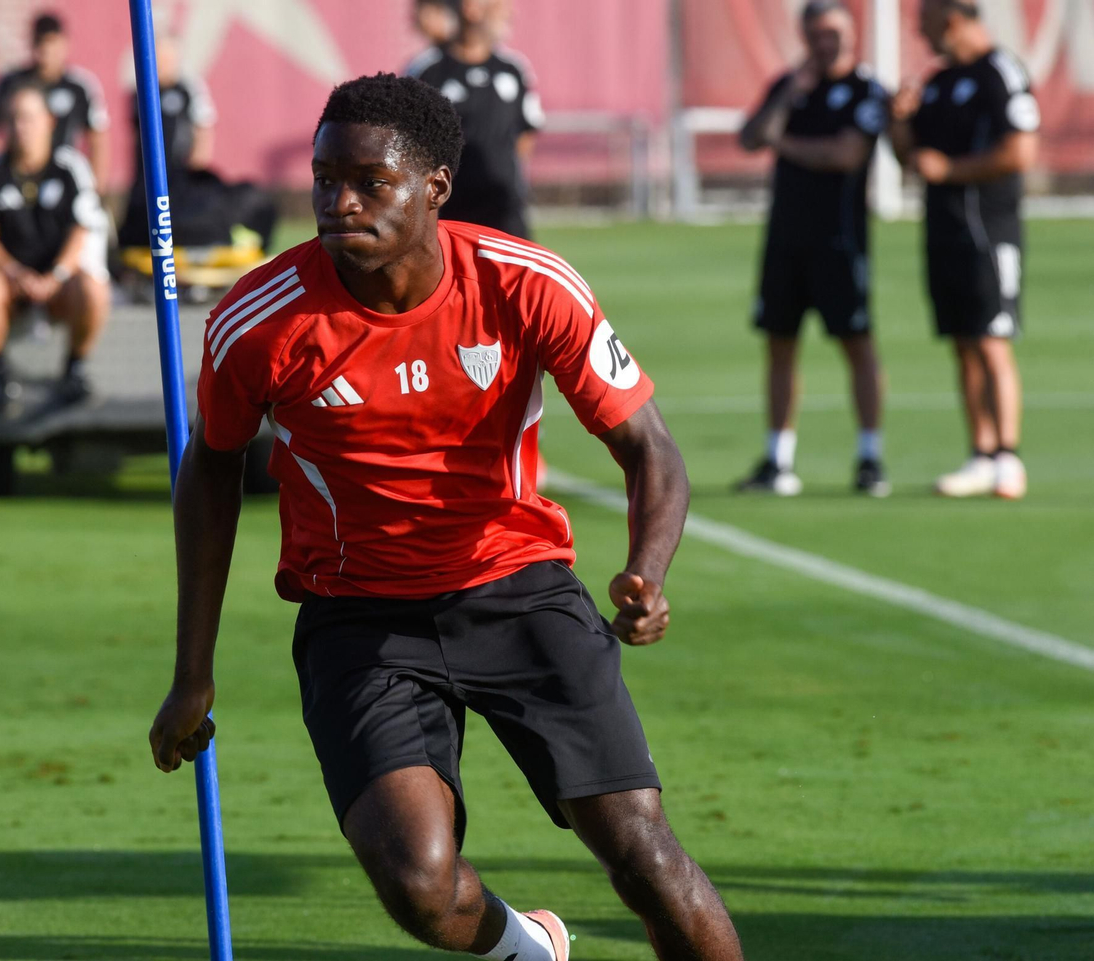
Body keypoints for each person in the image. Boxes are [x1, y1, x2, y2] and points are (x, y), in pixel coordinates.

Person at [149, 73, 745, 961]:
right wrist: (191, 672)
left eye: (369, 182)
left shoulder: (525, 282)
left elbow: (650, 447)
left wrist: (647, 572)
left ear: (435, 187)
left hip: (519, 587)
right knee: (419, 883)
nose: (338, 203)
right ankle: (529, 950)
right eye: (323, 179)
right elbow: (211, 469)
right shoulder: (259, 319)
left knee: (643, 853)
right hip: (360, 618)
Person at [734, 0, 890, 497]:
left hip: (841, 242)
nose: (827, 43)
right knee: (780, 342)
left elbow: (844, 154)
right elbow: (750, 136)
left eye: (834, 33)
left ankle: (870, 457)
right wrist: (787, 100)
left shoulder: (867, 90)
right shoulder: (790, 85)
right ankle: (778, 459)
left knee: (857, 343)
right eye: (817, 34)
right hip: (785, 239)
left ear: (851, 34)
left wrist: (783, 144)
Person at [891, 0, 1038, 500]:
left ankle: (1009, 457)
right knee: (961, 341)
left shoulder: (1001, 72)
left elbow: (1020, 152)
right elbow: (913, 159)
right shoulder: (939, 82)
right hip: (944, 231)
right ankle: (981, 453)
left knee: (993, 339)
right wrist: (900, 122)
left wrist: (952, 170)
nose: (921, 32)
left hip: (989, 231)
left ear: (952, 18)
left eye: (926, 21)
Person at [0, 84, 109, 411]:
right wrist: (15, 272)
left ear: (49, 122)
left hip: (59, 280)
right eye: (14, 119)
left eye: (29, 118)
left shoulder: (70, 167)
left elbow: (81, 231)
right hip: (10, 278)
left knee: (95, 289)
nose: (21, 127)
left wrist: (56, 276)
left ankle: (74, 369)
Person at [115, 35, 277, 253]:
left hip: (180, 177)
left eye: (166, 58)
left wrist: (197, 164)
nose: (162, 64)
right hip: (147, 178)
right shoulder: (140, 93)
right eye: (158, 58)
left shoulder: (187, 90)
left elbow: (203, 128)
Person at [406, 0, 543, 238]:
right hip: (449, 208)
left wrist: (504, 172)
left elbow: (526, 132)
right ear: (470, 8)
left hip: (503, 206)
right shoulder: (427, 70)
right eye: (498, 5)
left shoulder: (513, 68)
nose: (508, 12)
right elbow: (410, 138)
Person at [0, 13, 109, 193]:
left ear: (64, 44)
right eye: (40, 43)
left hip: (64, 181)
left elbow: (97, 137)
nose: (46, 51)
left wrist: (97, 188)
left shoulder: (79, 86)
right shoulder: (11, 84)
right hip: (18, 178)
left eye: (51, 43)